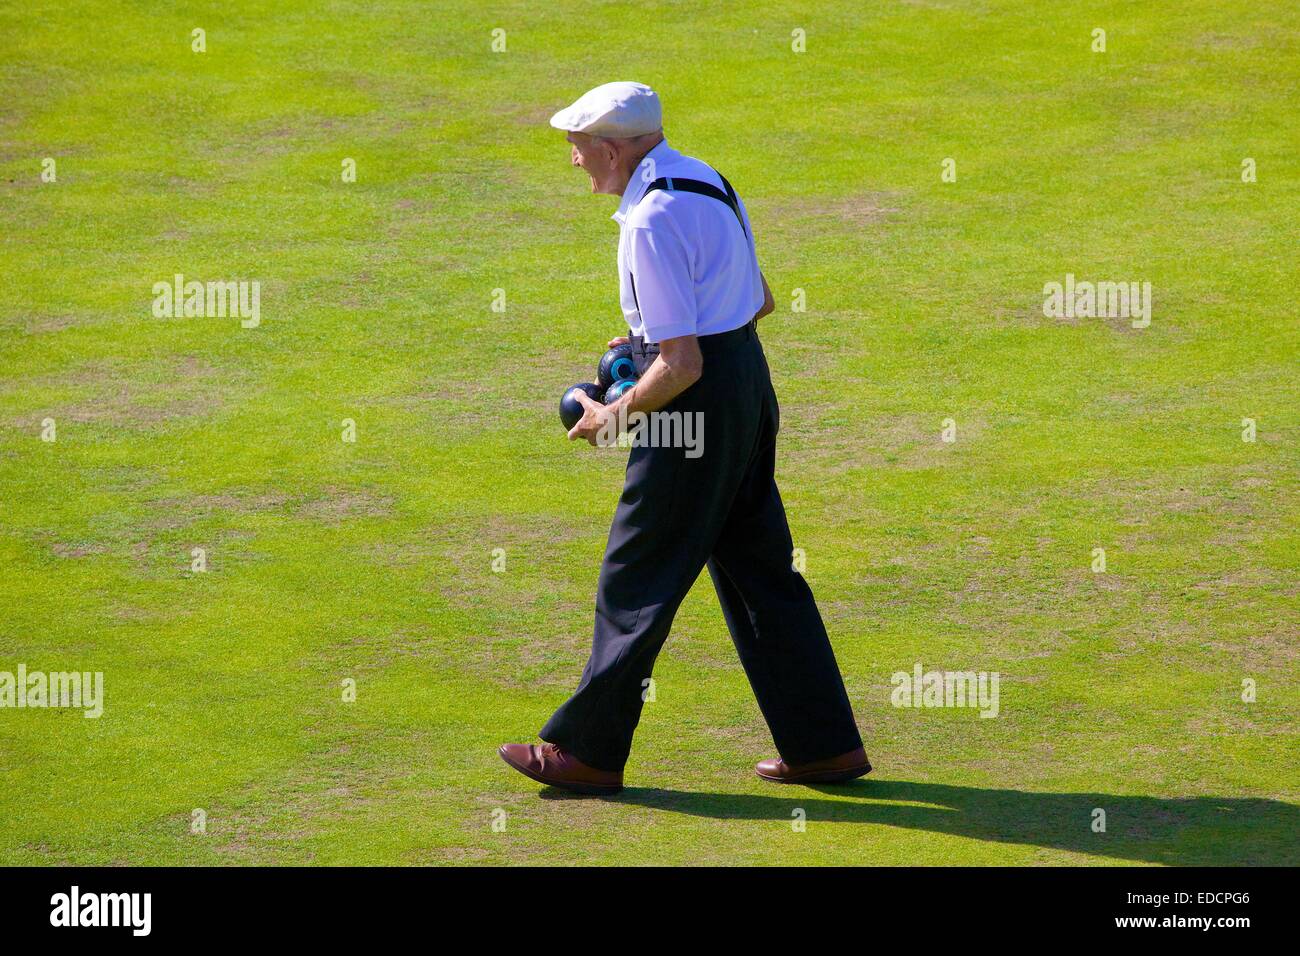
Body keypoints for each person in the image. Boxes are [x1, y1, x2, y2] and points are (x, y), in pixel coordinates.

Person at [500, 82, 869, 795]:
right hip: (746, 390)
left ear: (611, 148)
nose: (574, 162)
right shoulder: (704, 177)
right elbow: (753, 300)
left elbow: (683, 363)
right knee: (763, 574)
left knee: (637, 573)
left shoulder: (648, 220)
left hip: (694, 412)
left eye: (578, 148)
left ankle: (588, 753)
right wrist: (643, 342)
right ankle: (824, 746)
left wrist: (615, 414)